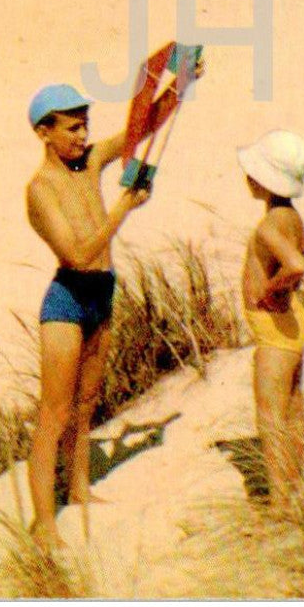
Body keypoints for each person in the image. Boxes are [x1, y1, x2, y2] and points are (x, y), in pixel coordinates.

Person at [23, 79, 184, 548]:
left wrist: (181, 83)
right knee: (53, 412)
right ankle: (43, 522)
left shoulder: (91, 160)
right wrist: (122, 211)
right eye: (72, 128)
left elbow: (140, 128)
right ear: (43, 133)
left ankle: (77, 489)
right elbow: (75, 254)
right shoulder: (40, 189)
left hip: (103, 291)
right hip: (68, 298)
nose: (82, 136)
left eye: (85, 126)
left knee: (88, 402)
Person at [238, 129, 304, 513]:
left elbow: (297, 264)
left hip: (275, 327)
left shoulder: (269, 225)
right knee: (294, 408)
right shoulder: (290, 216)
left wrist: (270, 288)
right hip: (294, 321)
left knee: (270, 417)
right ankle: (295, 488)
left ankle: (280, 505)